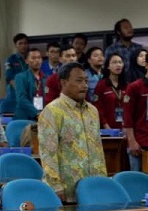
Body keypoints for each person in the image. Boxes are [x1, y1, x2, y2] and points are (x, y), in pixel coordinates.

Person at [38, 62, 106, 203]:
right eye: (79, 81)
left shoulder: (92, 111)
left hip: (95, 188)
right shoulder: (52, 111)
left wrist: (103, 180)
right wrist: (55, 186)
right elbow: (48, 152)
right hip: (67, 191)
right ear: (64, 82)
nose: (85, 85)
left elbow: (98, 150)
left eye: (86, 81)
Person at [123, 64, 148, 172]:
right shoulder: (135, 87)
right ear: (146, 64)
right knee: (137, 184)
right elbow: (128, 116)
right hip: (140, 142)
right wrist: (131, 141)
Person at [92, 53, 126, 130]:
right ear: (108, 66)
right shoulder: (101, 85)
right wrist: (105, 126)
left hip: (125, 127)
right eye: (114, 62)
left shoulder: (126, 85)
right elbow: (97, 108)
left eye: (120, 62)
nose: (118, 65)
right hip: (107, 128)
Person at [0, 33, 29, 114]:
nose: (23, 45)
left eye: (25, 43)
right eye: (20, 43)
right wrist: (21, 92)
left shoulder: (30, 59)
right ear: (15, 45)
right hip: (15, 96)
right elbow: (10, 79)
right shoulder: (11, 60)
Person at [14, 48, 45, 121]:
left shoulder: (46, 78)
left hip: (43, 116)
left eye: (39, 58)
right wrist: (36, 113)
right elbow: (21, 99)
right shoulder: (20, 77)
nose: (37, 60)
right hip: (25, 117)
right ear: (26, 61)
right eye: (33, 58)